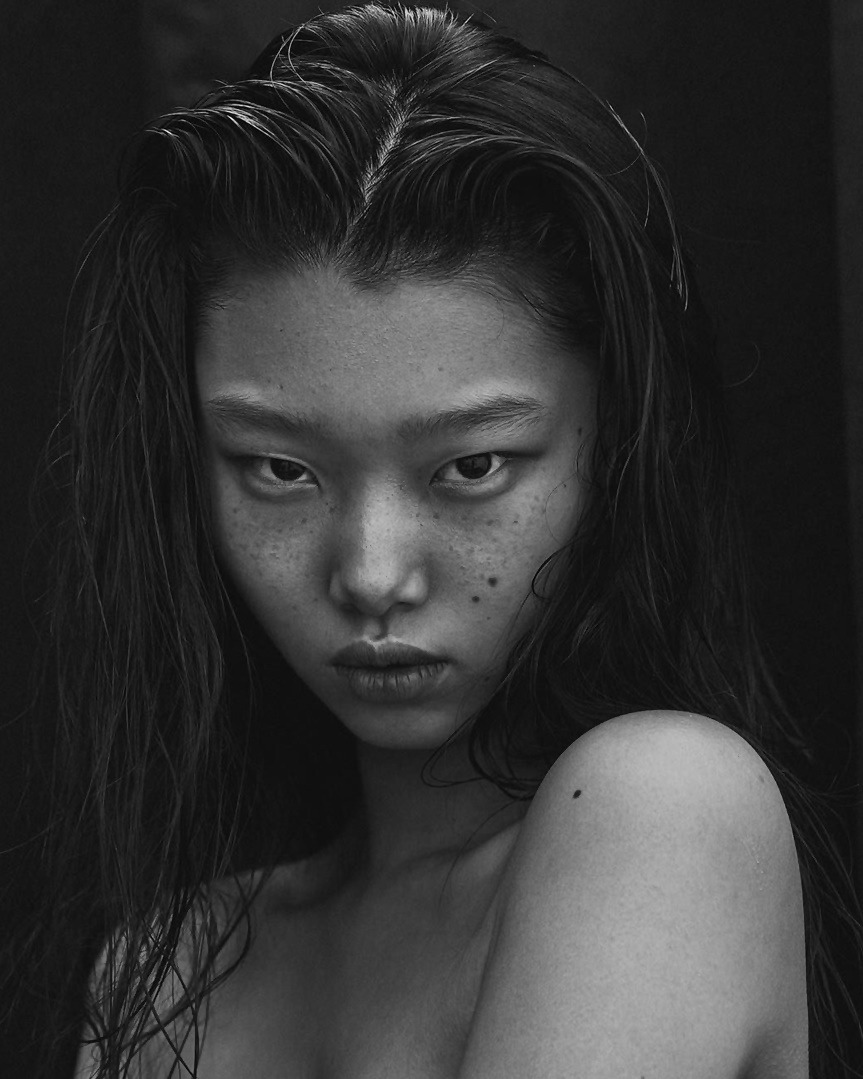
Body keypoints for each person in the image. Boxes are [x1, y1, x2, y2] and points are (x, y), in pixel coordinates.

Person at [12, 2, 863, 1076]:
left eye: (471, 467)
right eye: (280, 469)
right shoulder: (167, 967)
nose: (371, 574)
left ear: (617, 444)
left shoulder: (661, 811)